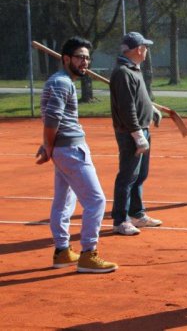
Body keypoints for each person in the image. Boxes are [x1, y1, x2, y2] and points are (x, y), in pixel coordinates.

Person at [36, 36, 118, 273]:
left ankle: (62, 252)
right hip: (70, 149)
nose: (85, 62)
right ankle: (88, 254)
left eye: (87, 58)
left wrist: (48, 145)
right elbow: (52, 119)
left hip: (65, 148)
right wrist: (49, 147)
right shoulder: (62, 83)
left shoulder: (59, 81)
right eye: (80, 57)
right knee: (96, 200)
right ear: (66, 59)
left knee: (64, 200)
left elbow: (53, 119)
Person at [110, 32, 163, 236]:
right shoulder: (123, 72)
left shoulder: (133, 70)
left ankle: (137, 213)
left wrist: (151, 110)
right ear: (138, 49)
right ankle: (120, 220)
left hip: (142, 128)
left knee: (140, 175)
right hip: (131, 133)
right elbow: (127, 108)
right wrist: (137, 135)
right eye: (145, 47)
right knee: (128, 176)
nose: (147, 50)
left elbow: (139, 99)